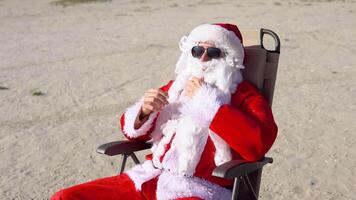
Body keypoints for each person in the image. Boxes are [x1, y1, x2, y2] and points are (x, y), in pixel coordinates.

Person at [51, 23, 278, 200]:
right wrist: (143, 112)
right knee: (65, 197)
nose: (203, 58)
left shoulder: (245, 96)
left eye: (214, 52)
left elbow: (257, 145)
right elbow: (133, 132)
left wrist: (208, 103)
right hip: (148, 178)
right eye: (197, 50)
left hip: (200, 190)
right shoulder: (176, 86)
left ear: (230, 57)